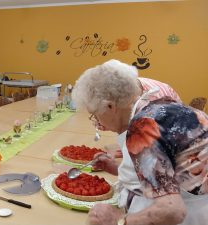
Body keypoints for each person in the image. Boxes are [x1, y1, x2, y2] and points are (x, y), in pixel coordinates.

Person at [73, 59, 208, 225]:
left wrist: (118, 221)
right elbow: (168, 165)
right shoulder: (156, 104)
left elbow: (172, 210)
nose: (98, 122)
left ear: (110, 107)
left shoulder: (142, 127)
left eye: (95, 114)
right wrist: (117, 169)